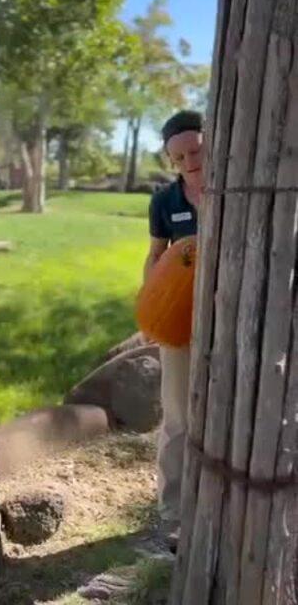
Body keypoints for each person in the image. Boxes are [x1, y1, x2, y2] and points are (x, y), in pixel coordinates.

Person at [143, 110, 204, 546]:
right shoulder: (164, 202)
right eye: (179, 156)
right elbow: (155, 256)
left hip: (241, 320)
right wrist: (152, 308)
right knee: (178, 416)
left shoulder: (238, 190)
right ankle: (173, 510)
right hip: (181, 320)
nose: (189, 163)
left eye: (196, 151)